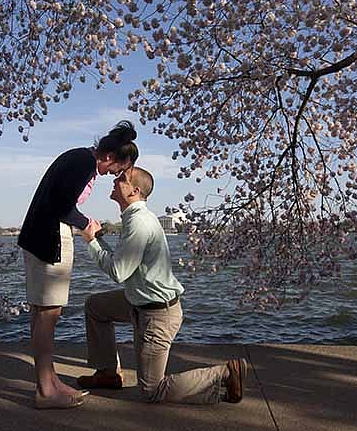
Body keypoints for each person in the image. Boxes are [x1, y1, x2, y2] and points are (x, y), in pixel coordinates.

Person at [77, 166, 247, 404]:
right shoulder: (134, 218)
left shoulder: (139, 223)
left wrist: (92, 241)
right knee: (95, 306)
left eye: (122, 178)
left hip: (157, 314)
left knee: (152, 390)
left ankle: (225, 373)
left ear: (134, 191)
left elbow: (118, 271)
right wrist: (99, 240)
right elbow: (123, 261)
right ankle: (107, 373)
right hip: (139, 301)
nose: (115, 179)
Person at [18, 121, 138, 409]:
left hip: (38, 236)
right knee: (49, 313)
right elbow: (62, 206)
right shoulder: (84, 162)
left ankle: (47, 380)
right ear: (109, 157)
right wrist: (88, 225)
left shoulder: (77, 157)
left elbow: (57, 200)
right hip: (49, 239)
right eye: (118, 169)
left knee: (41, 312)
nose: (116, 175)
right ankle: (46, 389)